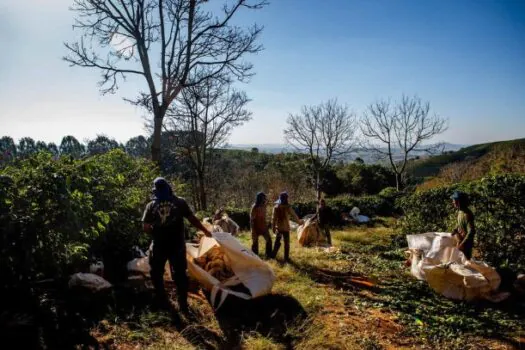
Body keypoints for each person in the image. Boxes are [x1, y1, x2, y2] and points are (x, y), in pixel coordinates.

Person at [142, 177, 212, 312]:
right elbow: (192, 219)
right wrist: (205, 231)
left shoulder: (151, 205)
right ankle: (183, 304)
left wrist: (156, 233)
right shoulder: (179, 202)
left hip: (159, 246)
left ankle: (163, 301)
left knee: (156, 273)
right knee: (180, 274)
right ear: (169, 188)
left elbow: (145, 227)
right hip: (177, 246)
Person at [271, 192, 304, 262]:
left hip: (279, 228)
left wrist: (273, 228)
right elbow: (294, 215)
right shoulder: (288, 207)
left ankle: (273, 256)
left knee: (277, 242)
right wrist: (299, 222)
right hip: (286, 228)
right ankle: (286, 258)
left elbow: (273, 219)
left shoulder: (276, 207)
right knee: (286, 243)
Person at [450, 191, 476, 259]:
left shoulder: (467, 214)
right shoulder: (460, 211)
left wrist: (462, 244)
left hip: (465, 244)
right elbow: (459, 223)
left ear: (459, 202)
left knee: (465, 262)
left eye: (454, 201)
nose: (453, 202)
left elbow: (471, 232)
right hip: (460, 240)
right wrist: (455, 229)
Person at [250, 192, 272, 258]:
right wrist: (253, 230)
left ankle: (268, 255)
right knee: (255, 244)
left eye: (264, 198)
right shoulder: (254, 207)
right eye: (263, 197)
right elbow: (252, 219)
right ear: (260, 198)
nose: (264, 199)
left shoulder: (264, 205)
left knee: (269, 241)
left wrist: (267, 224)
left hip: (263, 227)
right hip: (255, 228)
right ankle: (255, 257)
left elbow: (265, 216)